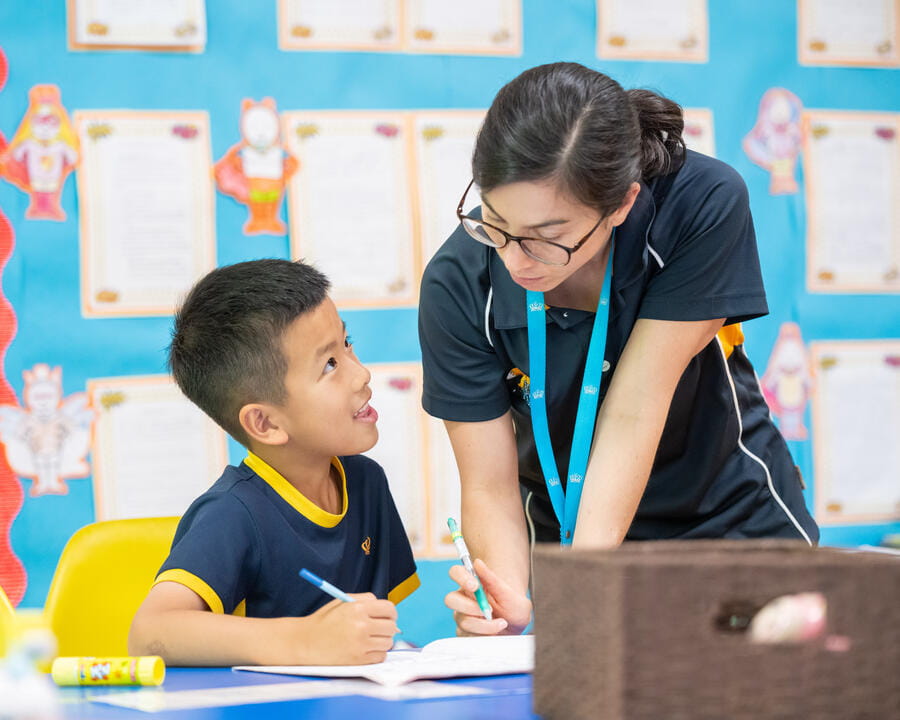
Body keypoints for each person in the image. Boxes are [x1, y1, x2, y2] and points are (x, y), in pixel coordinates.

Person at [418, 62, 819, 637]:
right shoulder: (457, 281)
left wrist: (583, 585)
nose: (515, 260)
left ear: (623, 204)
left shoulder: (699, 204)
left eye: (549, 238)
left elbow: (634, 410)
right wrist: (502, 601)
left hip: (725, 518)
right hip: (573, 528)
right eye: (496, 222)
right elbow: (488, 483)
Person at [129, 259, 419, 665]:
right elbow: (149, 635)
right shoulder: (233, 512)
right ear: (265, 423)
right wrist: (307, 640)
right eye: (329, 365)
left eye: (347, 342)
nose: (361, 375)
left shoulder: (366, 482)